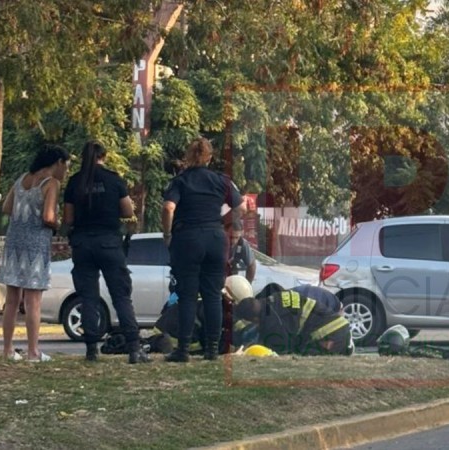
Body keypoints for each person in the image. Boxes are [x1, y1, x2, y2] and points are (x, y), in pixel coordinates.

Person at [62, 141, 149, 364]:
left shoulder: (74, 182)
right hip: (109, 243)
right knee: (121, 296)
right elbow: (128, 210)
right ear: (104, 156)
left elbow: (69, 219)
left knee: (88, 297)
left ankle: (92, 349)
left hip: (82, 244)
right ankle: (134, 349)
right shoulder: (113, 179)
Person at [162, 137, 244, 362]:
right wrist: (222, 221)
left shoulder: (180, 181)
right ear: (210, 157)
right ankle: (212, 349)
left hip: (187, 237)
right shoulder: (222, 181)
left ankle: (184, 350)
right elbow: (242, 206)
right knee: (213, 295)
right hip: (215, 238)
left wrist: (167, 234)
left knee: (188, 296)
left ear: (189, 156)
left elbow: (169, 208)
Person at [0, 144, 70, 362]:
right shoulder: (51, 184)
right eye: (66, 166)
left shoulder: (22, 179)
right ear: (57, 163)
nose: (66, 171)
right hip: (35, 246)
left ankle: (8, 350)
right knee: (33, 302)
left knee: (11, 301)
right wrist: (59, 224)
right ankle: (32, 351)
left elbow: (7, 208)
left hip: (14, 243)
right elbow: (48, 217)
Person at [230, 286, 353, 356]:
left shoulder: (273, 324)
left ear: (254, 319)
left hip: (327, 335)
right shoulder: (276, 297)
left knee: (309, 366)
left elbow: (279, 353)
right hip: (340, 324)